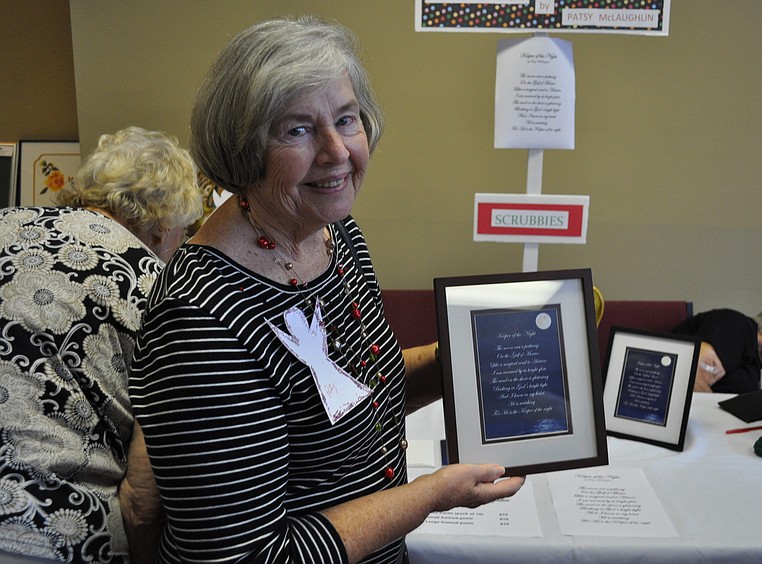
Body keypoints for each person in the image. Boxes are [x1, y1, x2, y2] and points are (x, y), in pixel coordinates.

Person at [129, 15, 525, 564]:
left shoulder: (333, 236)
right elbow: (248, 558)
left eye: (347, 118)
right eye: (298, 129)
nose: (337, 151)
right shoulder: (203, 323)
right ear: (244, 149)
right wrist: (431, 495)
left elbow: (349, 400)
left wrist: (459, 361)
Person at [0, 127, 203, 562]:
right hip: (49, 527)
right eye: (183, 236)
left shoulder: (5, 221)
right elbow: (149, 492)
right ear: (164, 226)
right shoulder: (156, 283)